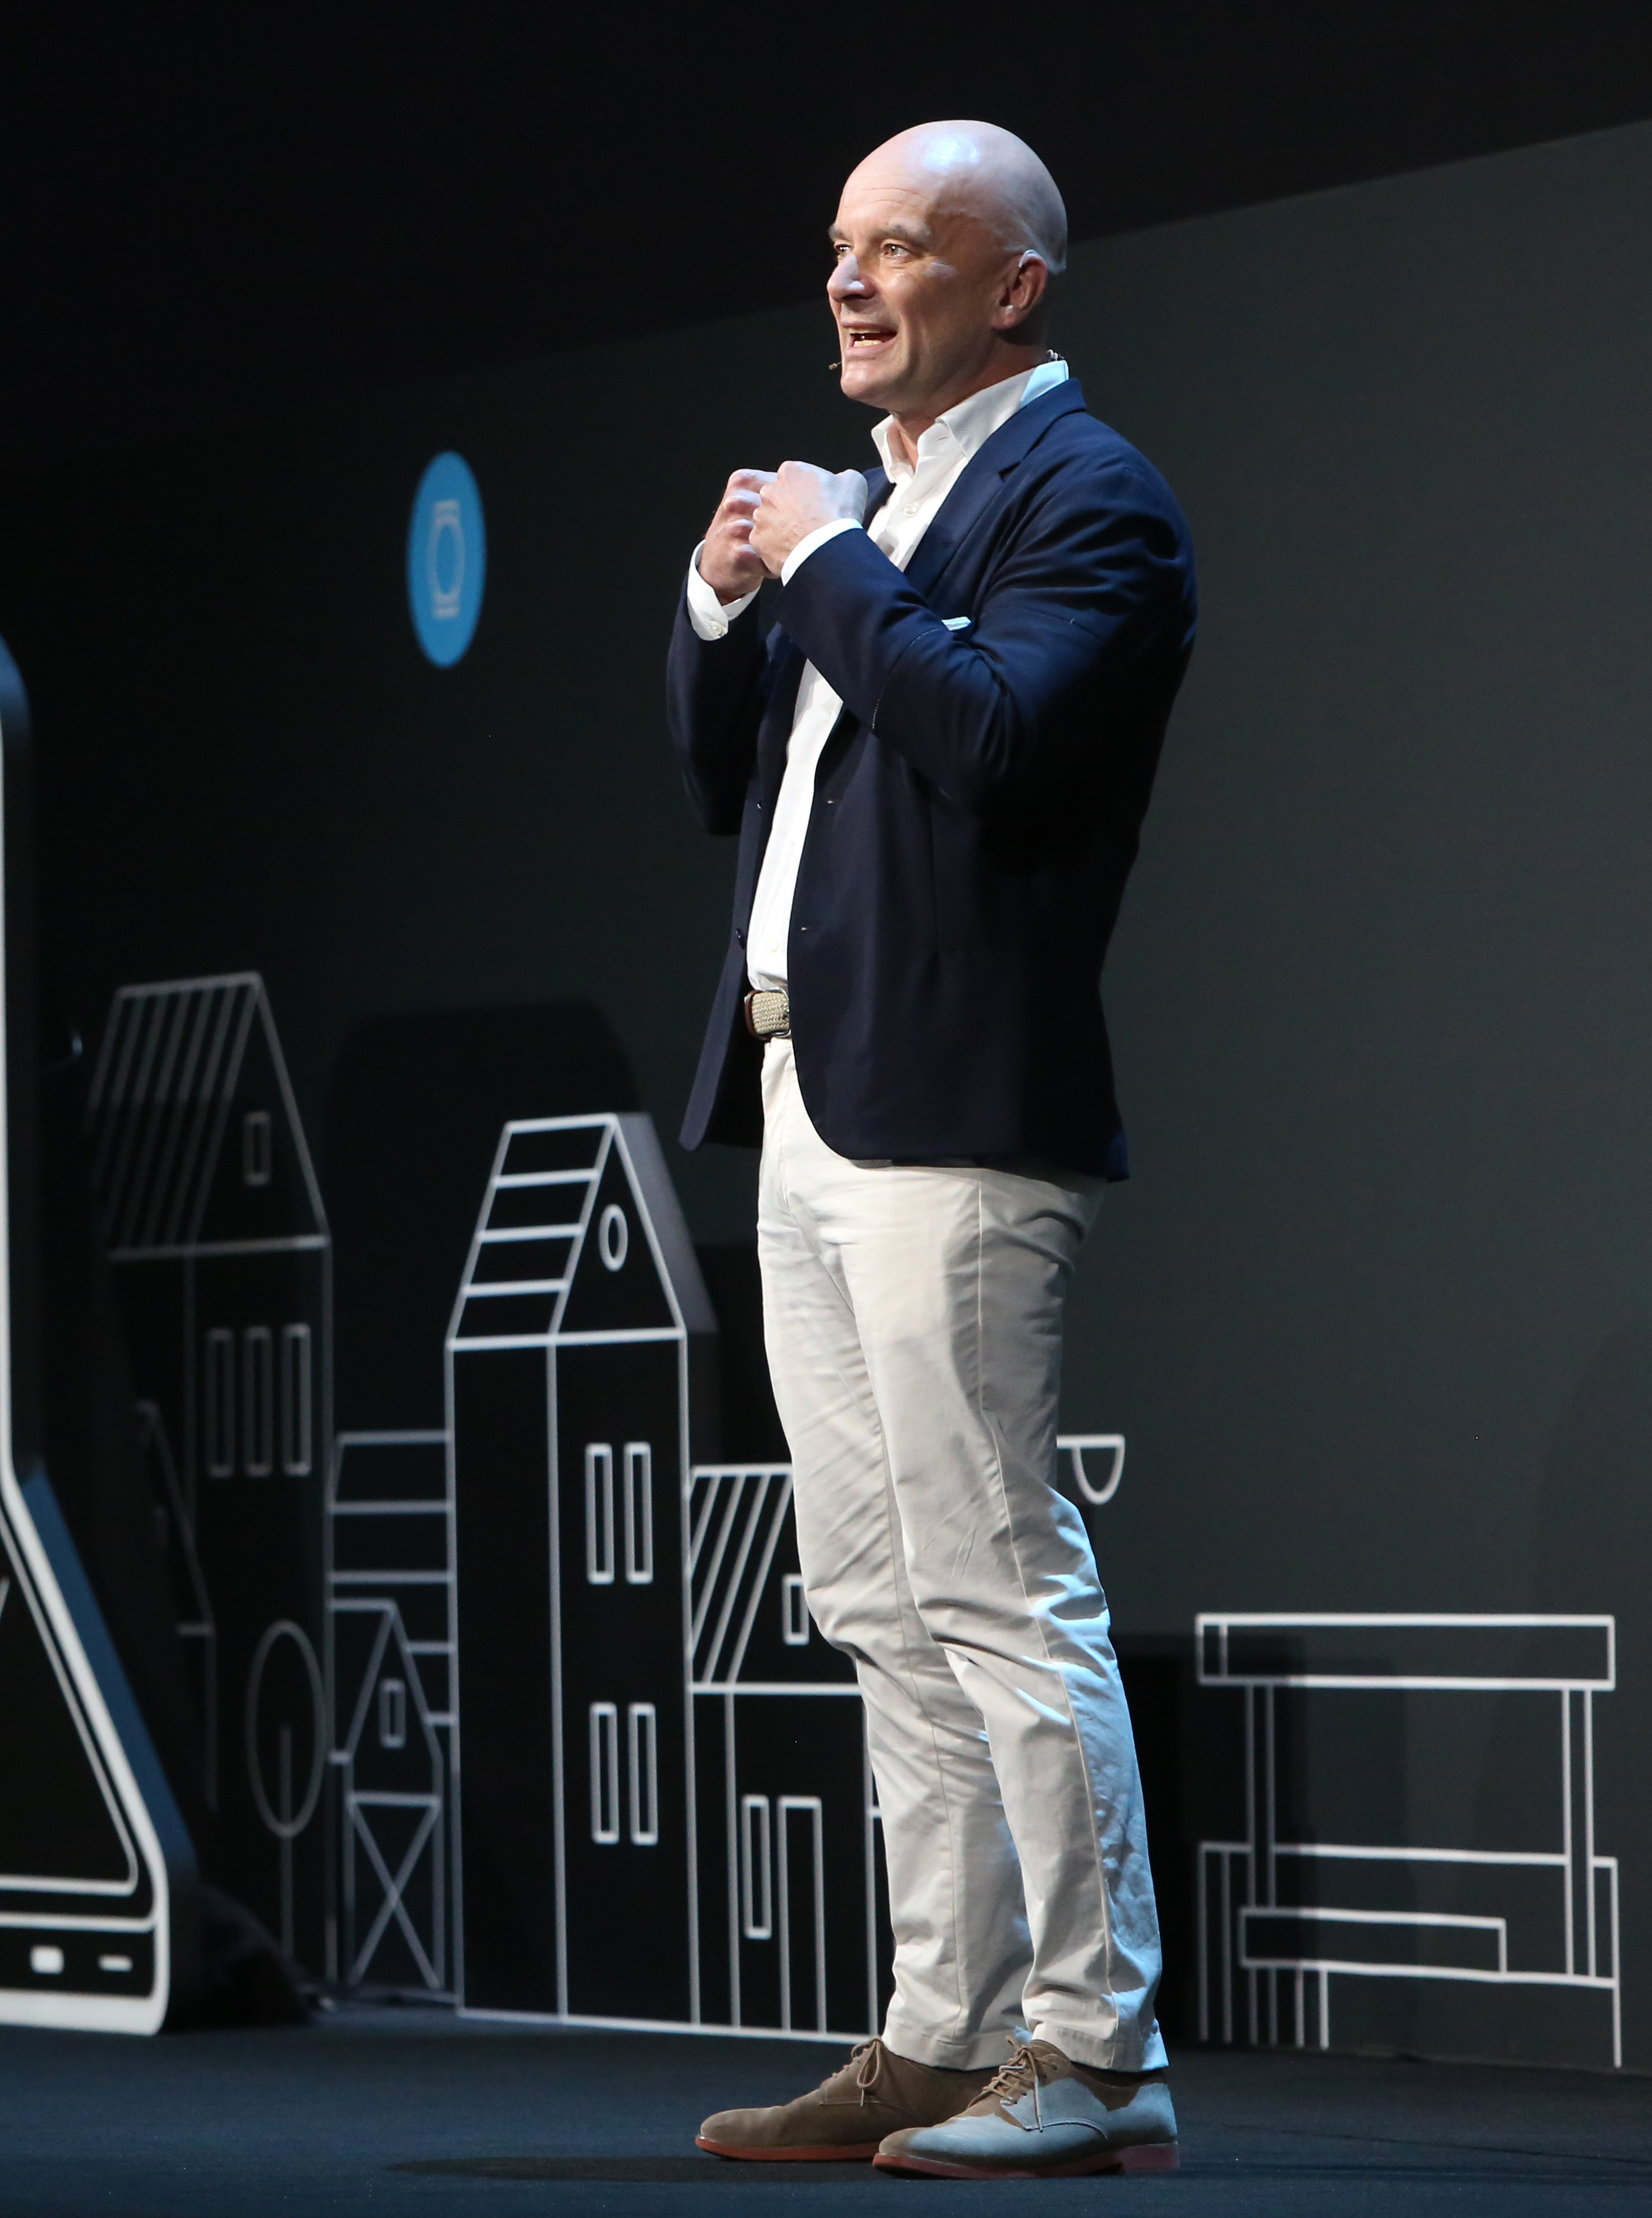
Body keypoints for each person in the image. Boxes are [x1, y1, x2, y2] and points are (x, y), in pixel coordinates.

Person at [666, 120, 1194, 2180]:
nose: (846, 280)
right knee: (877, 1594)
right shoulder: (867, 509)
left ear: (1013, 285)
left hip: (957, 1105)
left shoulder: (1087, 495)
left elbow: (989, 739)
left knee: (992, 1578)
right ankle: (939, 2029)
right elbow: (724, 785)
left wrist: (821, 563)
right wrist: (724, 600)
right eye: (836, 245)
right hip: (808, 1095)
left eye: (898, 246)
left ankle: (1097, 2045)